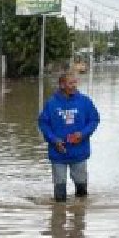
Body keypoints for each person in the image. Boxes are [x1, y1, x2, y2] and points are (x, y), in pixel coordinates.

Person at [37, 72, 100, 202]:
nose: (73, 86)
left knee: (81, 191)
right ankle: (59, 216)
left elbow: (94, 119)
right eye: (70, 83)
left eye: (75, 82)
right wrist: (54, 140)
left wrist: (82, 134)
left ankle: (79, 215)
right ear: (62, 85)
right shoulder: (51, 103)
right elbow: (43, 123)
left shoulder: (85, 101)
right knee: (59, 193)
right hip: (58, 152)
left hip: (79, 152)